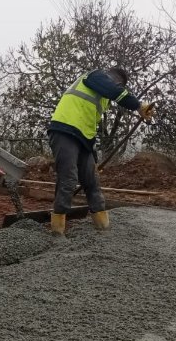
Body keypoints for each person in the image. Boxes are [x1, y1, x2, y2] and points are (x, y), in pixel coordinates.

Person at [48, 67, 154, 235]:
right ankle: (57, 230)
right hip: (64, 130)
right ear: (116, 80)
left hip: (83, 138)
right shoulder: (95, 77)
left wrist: (94, 160)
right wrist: (139, 105)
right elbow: (114, 91)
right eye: (118, 85)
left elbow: (89, 125)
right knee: (68, 178)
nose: (117, 87)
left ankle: (103, 228)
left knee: (92, 181)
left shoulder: (102, 96)